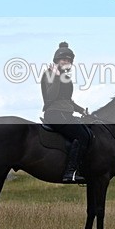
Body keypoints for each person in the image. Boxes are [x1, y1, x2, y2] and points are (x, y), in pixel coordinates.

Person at [41, 42, 90, 183]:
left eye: (69, 60)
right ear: (56, 60)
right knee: (83, 136)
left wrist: (82, 111)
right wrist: (56, 77)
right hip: (55, 114)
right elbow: (51, 97)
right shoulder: (50, 74)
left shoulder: (65, 77)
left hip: (65, 113)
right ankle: (70, 173)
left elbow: (67, 101)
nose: (66, 62)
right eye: (63, 59)